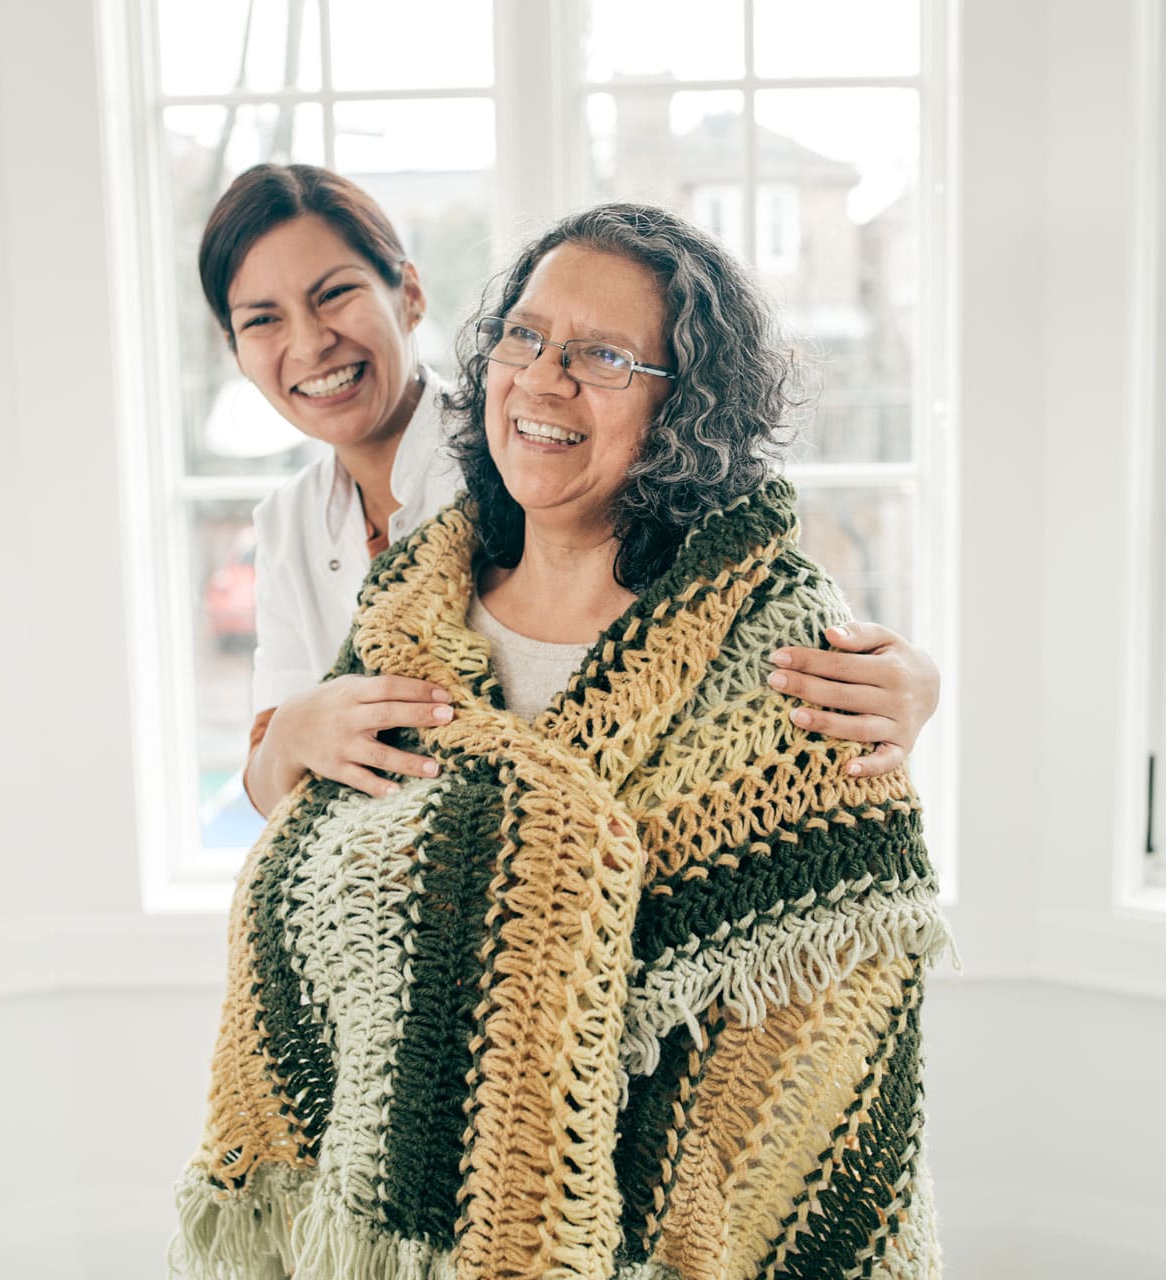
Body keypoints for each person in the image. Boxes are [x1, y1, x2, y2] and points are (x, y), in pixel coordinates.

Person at [172, 202, 958, 1280]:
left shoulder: (783, 659)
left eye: (601, 355)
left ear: (688, 409)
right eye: (526, 338)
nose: (544, 379)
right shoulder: (405, 614)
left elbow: (821, 1036)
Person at [192, 163, 943, 816]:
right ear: (234, 349)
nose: (310, 341)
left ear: (410, 295)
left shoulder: (537, 451)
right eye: (261, 320)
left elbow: (730, 576)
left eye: (334, 295)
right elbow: (275, 784)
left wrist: (916, 682)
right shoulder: (288, 523)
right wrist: (293, 733)